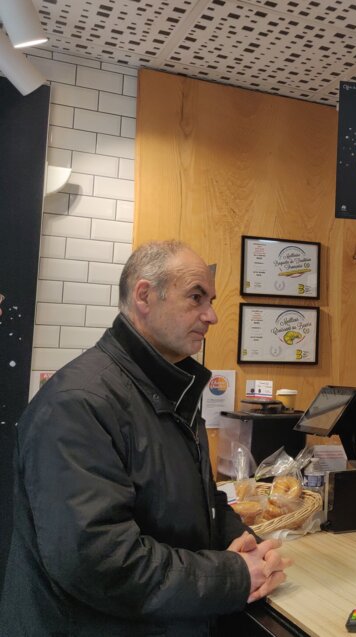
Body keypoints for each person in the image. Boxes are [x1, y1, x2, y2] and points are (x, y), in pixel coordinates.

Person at [0, 241, 291, 636]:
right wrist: (232, 576)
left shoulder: (171, 391)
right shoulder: (78, 403)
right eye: (196, 297)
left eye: (211, 299)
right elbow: (98, 562)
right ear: (144, 295)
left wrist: (244, 542)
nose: (212, 316)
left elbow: (197, 500)